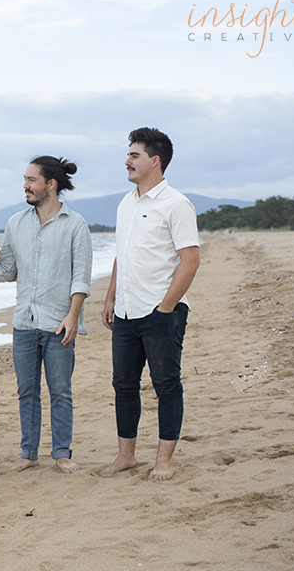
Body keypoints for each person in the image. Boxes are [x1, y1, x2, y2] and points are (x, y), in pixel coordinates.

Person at [101, 127, 200, 480]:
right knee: (124, 385)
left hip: (161, 312)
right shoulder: (126, 202)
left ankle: (164, 461)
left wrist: (167, 308)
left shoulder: (176, 204)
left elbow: (190, 260)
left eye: (134, 155)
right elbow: (121, 255)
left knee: (166, 385)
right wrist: (111, 297)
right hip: (126, 311)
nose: (127, 161)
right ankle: (126, 455)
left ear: (155, 161)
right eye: (129, 154)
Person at [0, 156, 93, 474]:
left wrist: (74, 316)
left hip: (59, 323)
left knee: (60, 390)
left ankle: (62, 453)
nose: (25, 185)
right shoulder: (15, 223)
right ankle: (29, 453)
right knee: (27, 391)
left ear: (51, 184)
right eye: (25, 179)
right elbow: (7, 270)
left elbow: (81, 277)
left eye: (31, 179)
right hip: (23, 322)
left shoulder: (75, 224)